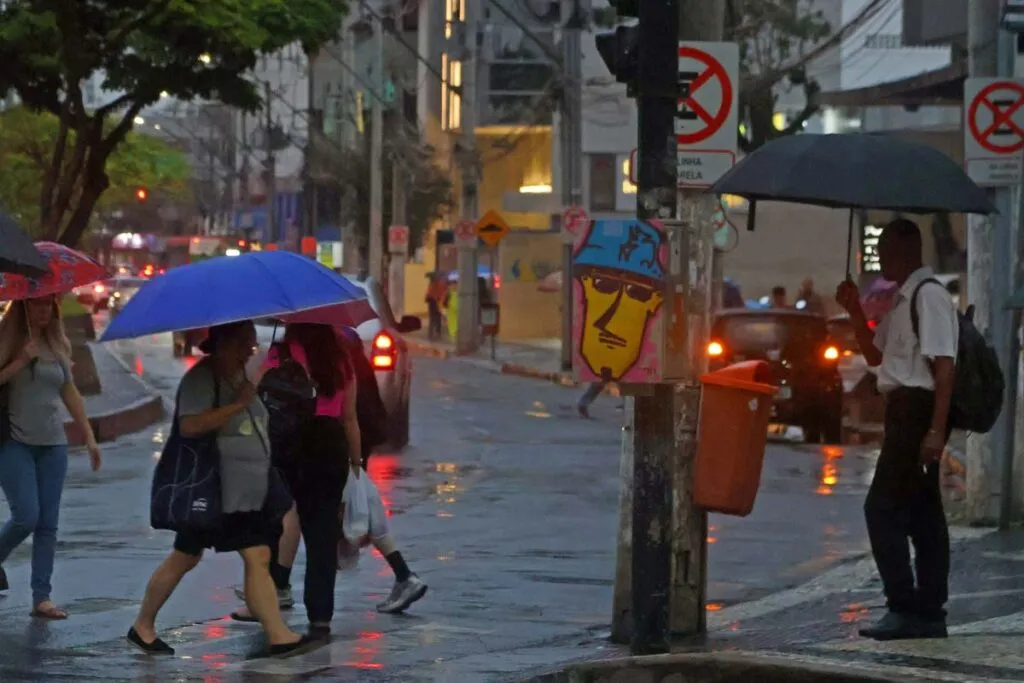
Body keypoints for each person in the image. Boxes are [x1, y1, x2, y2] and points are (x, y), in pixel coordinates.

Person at [128, 321, 315, 657]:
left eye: (253, 344)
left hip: (245, 488)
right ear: (225, 343)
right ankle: (144, 624)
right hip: (216, 489)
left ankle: (275, 632)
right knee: (202, 556)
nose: (250, 351)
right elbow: (190, 425)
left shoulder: (238, 376)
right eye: (246, 343)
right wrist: (237, 405)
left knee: (244, 554)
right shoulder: (202, 378)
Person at [835, 218, 957, 641]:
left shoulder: (930, 297)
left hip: (919, 412)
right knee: (923, 515)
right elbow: (875, 354)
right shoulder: (902, 300)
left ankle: (904, 605)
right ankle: (928, 612)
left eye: (886, 249)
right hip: (902, 409)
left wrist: (936, 431)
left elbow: (944, 369)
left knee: (882, 509)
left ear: (907, 251)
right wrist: (853, 310)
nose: (881, 257)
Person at [231, 323, 361, 638]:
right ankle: (320, 617)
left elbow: (254, 399)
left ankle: (268, 598)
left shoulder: (280, 354)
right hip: (329, 447)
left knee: (272, 523)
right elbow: (349, 418)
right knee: (322, 534)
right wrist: (356, 462)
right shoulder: (340, 361)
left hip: (286, 444)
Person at [0, 297, 102, 620]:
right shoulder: (7, 341)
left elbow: (69, 392)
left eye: (49, 305)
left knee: (48, 524)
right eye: (37, 305)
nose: (44, 311)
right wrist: (19, 361)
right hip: (14, 442)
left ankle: (41, 597)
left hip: (53, 445)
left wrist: (88, 434)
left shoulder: (57, 343)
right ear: (23, 308)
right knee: (26, 516)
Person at [337, 326, 427, 613]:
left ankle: (279, 585)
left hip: (343, 453)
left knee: (305, 515)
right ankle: (404, 575)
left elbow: (351, 417)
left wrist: (354, 461)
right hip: (352, 453)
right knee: (369, 511)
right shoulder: (350, 352)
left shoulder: (337, 359)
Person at [425, 274, 447, 341]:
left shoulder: (434, 285)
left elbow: (428, 295)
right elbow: (443, 294)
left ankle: (432, 331)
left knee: (433, 318)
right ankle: (437, 331)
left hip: (433, 303)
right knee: (437, 317)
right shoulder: (441, 284)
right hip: (437, 303)